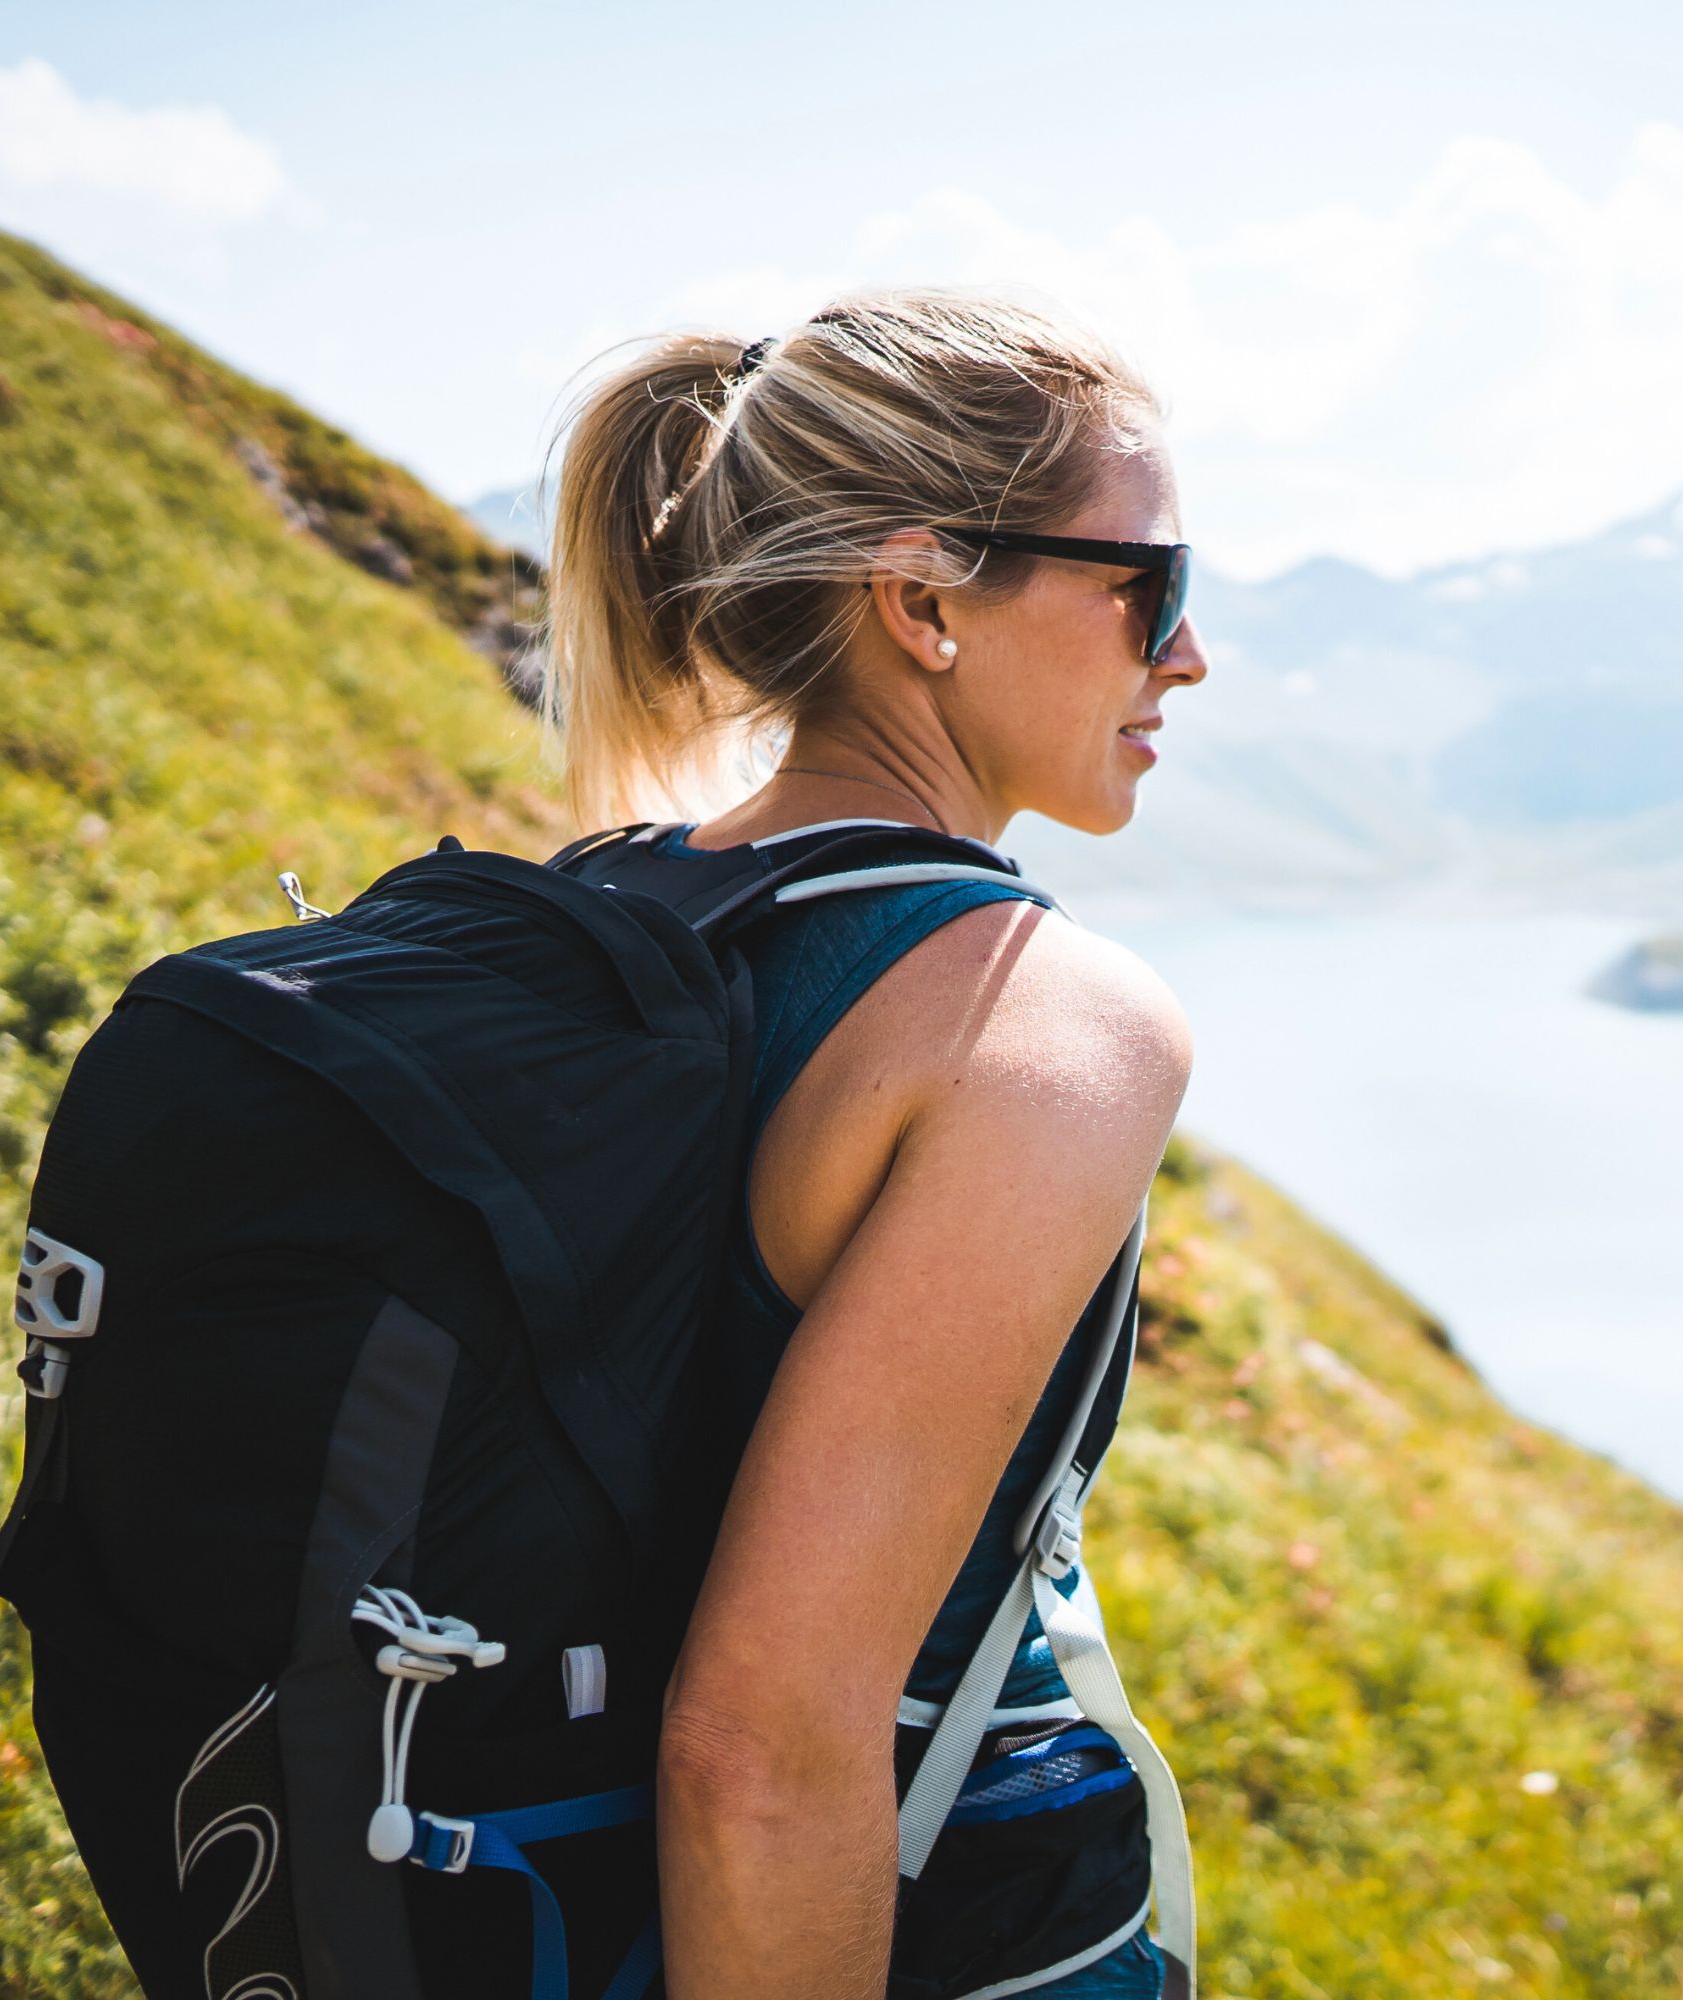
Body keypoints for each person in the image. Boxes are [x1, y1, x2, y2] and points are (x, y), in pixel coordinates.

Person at [542, 291, 1209, 1998]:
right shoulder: (1039, 1020)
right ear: (922, 599)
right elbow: (761, 1748)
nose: (1185, 655)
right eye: (1148, 586)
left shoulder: (593, 908)